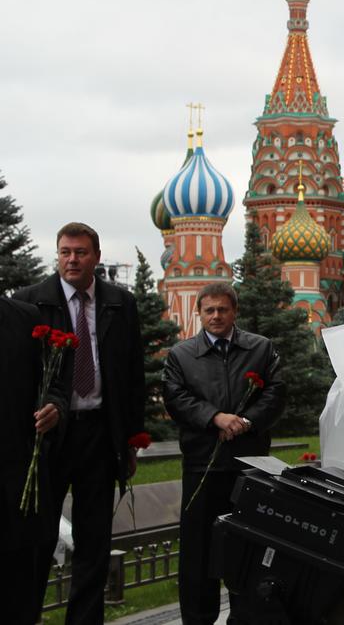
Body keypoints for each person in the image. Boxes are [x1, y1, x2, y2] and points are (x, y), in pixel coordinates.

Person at [13, 222, 144, 625]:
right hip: (49, 440)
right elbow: (16, 376)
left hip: (100, 436)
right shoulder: (30, 302)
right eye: (65, 252)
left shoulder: (120, 303)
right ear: (58, 255)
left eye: (81, 252)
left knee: (94, 542)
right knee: (37, 539)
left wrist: (132, 439)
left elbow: (132, 373)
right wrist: (37, 413)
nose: (72, 259)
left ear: (96, 258)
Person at [163, 281, 285, 625]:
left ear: (235, 312)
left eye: (223, 309)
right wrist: (214, 417)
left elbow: (275, 393)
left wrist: (246, 421)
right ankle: (198, 620)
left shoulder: (261, 349)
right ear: (198, 313)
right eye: (209, 310)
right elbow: (176, 397)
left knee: (248, 551)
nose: (216, 316)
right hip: (204, 466)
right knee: (198, 555)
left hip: (249, 467)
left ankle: (246, 619)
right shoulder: (182, 355)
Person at [1, 296, 65, 625]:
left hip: (16, 486)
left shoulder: (24, 317)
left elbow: (51, 383)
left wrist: (54, 406)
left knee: (18, 597)